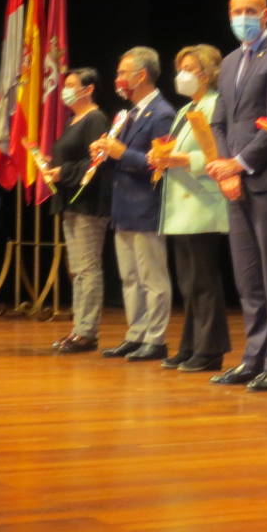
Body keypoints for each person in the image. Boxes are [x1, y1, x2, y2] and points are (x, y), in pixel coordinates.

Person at [205, 0, 267, 392]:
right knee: (247, 278)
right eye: (235, 10)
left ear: (266, 14)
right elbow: (219, 122)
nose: (241, 17)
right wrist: (226, 169)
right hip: (236, 181)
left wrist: (239, 163)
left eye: (250, 10)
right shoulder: (228, 62)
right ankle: (253, 358)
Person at [149, 45, 235, 372]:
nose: (182, 75)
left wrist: (183, 159)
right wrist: (160, 157)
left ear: (208, 73)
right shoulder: (188, 109)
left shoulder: (215, 106)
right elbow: (176, 150)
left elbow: (218, 154)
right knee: (189, 283)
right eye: (180, 67)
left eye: (190, 68)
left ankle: (210, 349)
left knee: (204, 282)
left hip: (204, 204)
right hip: (181, 207)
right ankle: (190, 345)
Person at [91, 47, 175, 362]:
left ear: (141, 75)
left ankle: (156, 339)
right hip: (124, 206)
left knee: (152, 277)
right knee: (130, 277)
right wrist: (104, 151)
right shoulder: (129, 113)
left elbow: (159, 163)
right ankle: (136, 334)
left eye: (123, 73)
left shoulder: (163, 112)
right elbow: (121, 154)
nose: (118, 79)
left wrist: (119, 152)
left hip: (146, 206)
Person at [45, 68, 113, 353]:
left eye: (72, 85)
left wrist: (65, 171)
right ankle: (79, 329)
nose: (66, 90)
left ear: (88, 89)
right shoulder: (75, 120)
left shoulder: (95, 118)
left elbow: (97, 162)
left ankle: (87, 332)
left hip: (88, 203)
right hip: (71, 201)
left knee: (87, 269)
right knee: (78, 270)